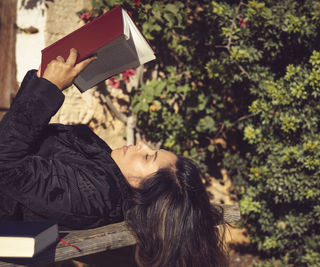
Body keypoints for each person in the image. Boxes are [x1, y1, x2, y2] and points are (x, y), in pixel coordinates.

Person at [0, 49, 228, 267]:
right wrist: (41, 81)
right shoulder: (106, 173)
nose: (142, 144)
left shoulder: (92, 194)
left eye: (148, 157)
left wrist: (49, 87)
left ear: (142, 187)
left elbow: (6, 164)